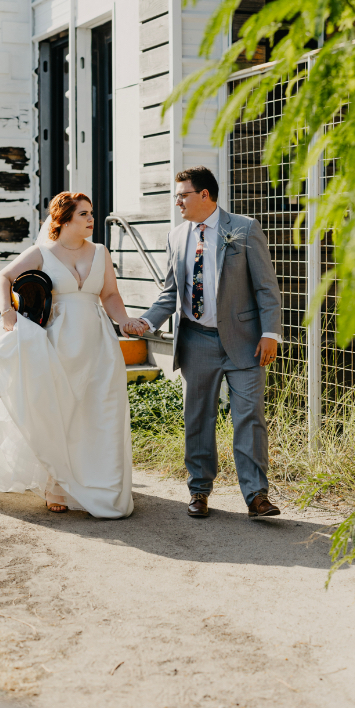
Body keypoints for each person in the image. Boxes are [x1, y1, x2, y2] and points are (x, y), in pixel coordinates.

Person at [0, 192, 140, 518]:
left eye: (91, 213)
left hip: (97, 342)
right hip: (56, 342)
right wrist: (6, 312)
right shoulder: (43, 252)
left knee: (101, 411)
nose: (90, 219)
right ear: (64, 219)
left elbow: (110, 294)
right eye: (83, 214)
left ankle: (102, 484)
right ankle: (56, 483)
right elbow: (4, 277)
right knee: (61, 412)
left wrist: (123, 320)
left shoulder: (101, 253)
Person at [126, 167, 282, 519]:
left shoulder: (243, 229)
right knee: (198, 418)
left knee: (250, 419)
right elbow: (170, 294)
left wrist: (270, 333)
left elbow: (265, 287)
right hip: (196, 341)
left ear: (205, 196)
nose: (177, 201)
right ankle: (199, 491)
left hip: (246, 343)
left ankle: (256, 495)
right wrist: (147, 321)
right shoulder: (176, 237)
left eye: (183, 194)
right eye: (176, 195)